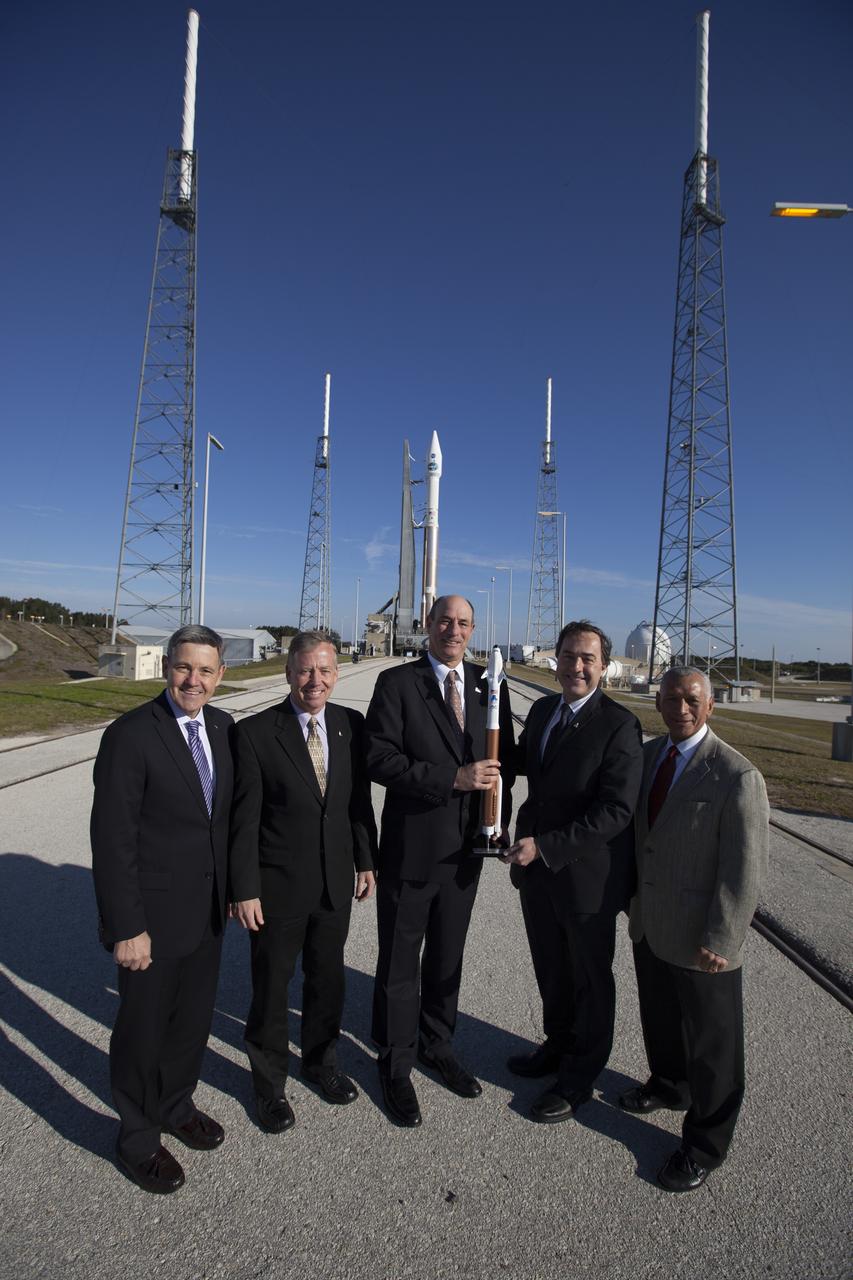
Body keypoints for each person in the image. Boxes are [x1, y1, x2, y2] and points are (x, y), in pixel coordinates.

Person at [91, 624, 233, 1194]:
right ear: (166, 667)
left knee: (190, 1025)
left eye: (205, 670)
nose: (192, 680)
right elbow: (112, 839)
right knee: (141, 1033)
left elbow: (224, 821)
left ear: (220, 676)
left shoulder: (223, 729)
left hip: (206, 914)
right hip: (150, 921)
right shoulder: (131, 735)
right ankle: (137, 1139)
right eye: (183, 668)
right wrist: (127, 926)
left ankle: (177, 1105)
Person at [365, 595, 515, 1126]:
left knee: (447, 958)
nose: (454, 630)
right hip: (412, 850)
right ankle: (395, 1060)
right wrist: (452, 778)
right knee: (401, 960)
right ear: (427, 626)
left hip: (465, 853)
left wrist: (497, 826)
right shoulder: (397, 684)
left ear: (474, 630)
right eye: (444, 621)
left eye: (464, 623)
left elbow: (504, 766)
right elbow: (379, 758)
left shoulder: (488, 685)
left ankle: (438, 1043)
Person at [620, 666, 769, 1193]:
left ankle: (706, 1144)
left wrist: (724, 938)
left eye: (692, 699)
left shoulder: (736, 776)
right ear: (657, 703)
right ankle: (668, 1084)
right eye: (671, 698)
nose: (681, 707)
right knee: (659, 1018)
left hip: (704, 939)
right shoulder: (649, 757)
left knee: (713, 1047)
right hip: (653, 925)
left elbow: (744, 868)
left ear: (710, 706)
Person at [229, 632, 377, 1133]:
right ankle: (269, 1087)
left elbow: (358, 804)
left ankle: (321, 1063)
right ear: (288, 673)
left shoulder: (350, 726)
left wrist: (365, 860)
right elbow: (243, 821)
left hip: (334, 884)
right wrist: (243, 887)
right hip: (277, 888)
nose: (315, 681)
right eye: (305, 671)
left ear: (336, 674)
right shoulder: (254, 734)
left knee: (327, 981)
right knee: (272, 989)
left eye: (325, 671)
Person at [503, 620, 643, 1123]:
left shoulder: (619, 726)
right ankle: (557, 1044)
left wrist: (544, 847)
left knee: (589, 978)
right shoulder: (542, 711)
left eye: (587, 659)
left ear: (604, 665)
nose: (576, 667)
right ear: (555, 660)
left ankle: (581, 1077)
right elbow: (518, 765)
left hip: (585, 879)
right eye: (568, 657)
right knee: (551, 968)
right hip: (538, 875)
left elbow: (615, 811)